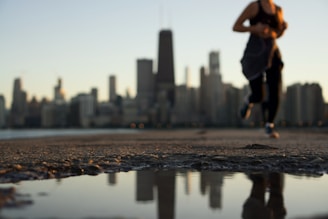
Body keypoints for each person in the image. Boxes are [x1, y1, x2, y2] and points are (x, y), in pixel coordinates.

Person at [233, 0, 288, 138]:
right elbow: (236, 27)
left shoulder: (278, 10)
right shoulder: (254, 7)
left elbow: (277, 34)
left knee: (275, 89)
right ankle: (249, 101)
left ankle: (269, 125)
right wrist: (254, 29)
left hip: (272, 53)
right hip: (255, 54)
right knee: (259, 95)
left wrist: (282, 30)